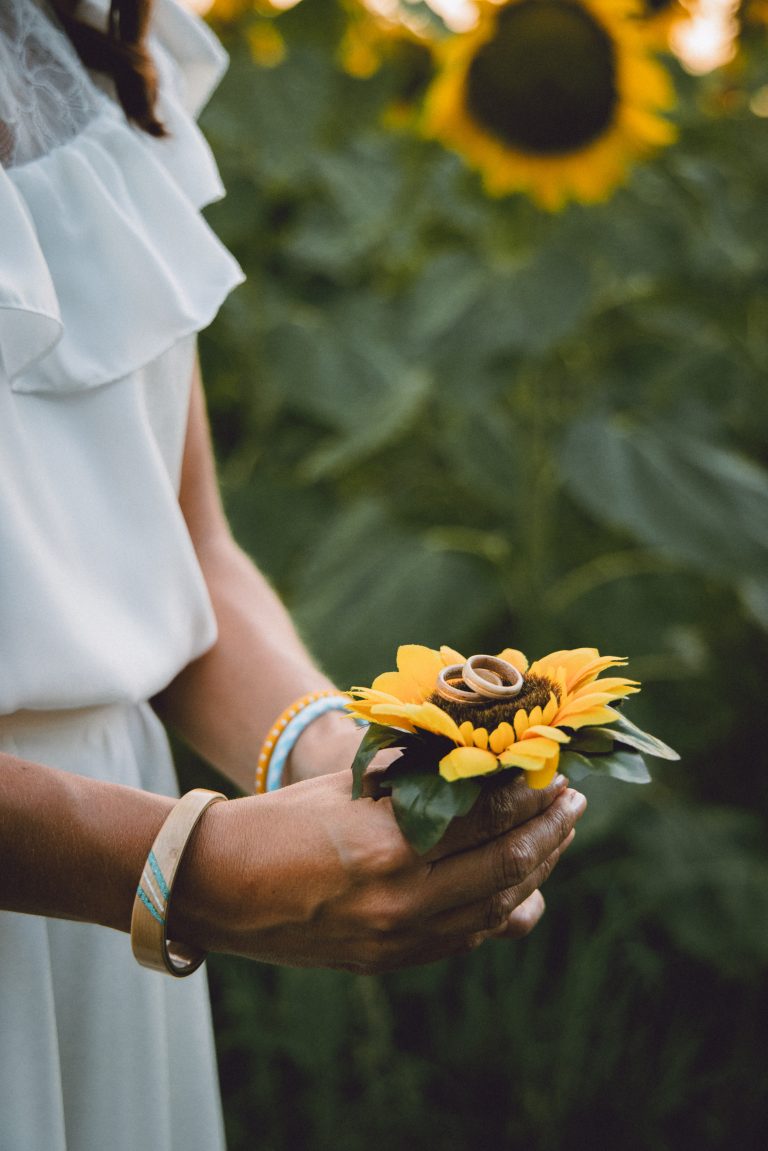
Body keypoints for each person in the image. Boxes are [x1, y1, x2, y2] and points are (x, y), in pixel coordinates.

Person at [0, 1, 587, 1148]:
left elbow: (180, 542)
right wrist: (198, 868)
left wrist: (346, 754)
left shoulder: (84, 40)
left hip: (104, 927)